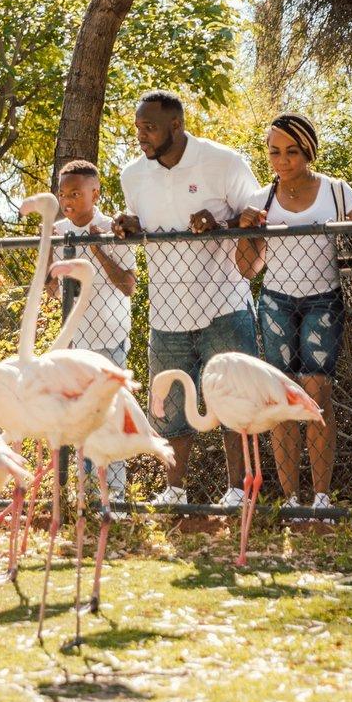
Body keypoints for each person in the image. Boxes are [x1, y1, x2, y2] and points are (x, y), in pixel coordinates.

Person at [113, 90, 262, 507]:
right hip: (166, 313)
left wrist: (223, 223)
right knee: (170, 409)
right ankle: (175, 491)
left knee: (233, 403)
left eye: (150, 127)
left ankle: (238, 492)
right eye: (138, 127)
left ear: (176, 126)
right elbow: (148, 221)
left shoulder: (223, 161)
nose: (141, 135)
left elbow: (257, 216)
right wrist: (130, 224)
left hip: (224, 305)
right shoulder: (132, 175)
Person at [232, 114, 352, 509]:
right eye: (274, 151)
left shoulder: (338, 191)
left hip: (323, 300)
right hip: (276, 301)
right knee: (281, 397)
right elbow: (247, 269)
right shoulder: (261, 201)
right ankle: (291, 498)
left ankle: (322, 497)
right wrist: (247, 230)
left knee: (317, 393)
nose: (282, 160)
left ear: (308, 151)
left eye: (292, 151)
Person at [48, 159, 138, 505]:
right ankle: (85, 490)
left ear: (95, 193)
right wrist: (49, 265)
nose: (67, 200)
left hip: (110, 337)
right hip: (77, 341)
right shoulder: (58, 231)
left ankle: (115, 494)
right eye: (63, 193)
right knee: (82, 418)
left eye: (75, 193)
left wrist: (97, 247)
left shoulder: (113, 228)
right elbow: (52, 287)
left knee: (110, 416)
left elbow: (128, 285)